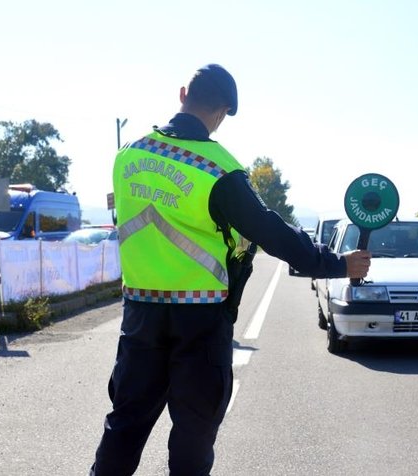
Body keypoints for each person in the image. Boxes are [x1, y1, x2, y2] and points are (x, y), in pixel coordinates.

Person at [89, 64, 371, 475]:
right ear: (222, 113)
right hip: (199, 322)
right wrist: (336, 264)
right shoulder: (218, 168)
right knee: (193, 434)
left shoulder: (127, 155)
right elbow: (271, 232)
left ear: (183, 93)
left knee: (125, 425)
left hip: (139, 315)